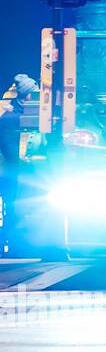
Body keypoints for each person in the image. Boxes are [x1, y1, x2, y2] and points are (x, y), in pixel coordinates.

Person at [0, 74, 37, 255]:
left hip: (19, 171)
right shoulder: (10, 117)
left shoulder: (16, 113)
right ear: (25, 94)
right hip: (11, 170)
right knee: (13, 207)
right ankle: (11, 244)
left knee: (16, 207)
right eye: (33, 92)